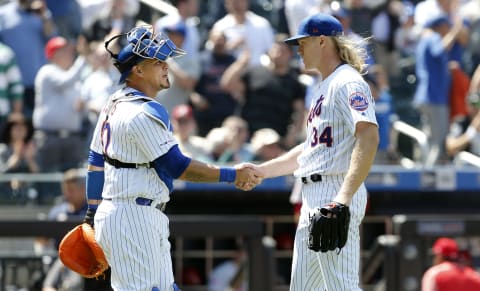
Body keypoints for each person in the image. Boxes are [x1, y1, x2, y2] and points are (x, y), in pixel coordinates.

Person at [84, 25, 259, 290]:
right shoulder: (144, 111)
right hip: (134, 215)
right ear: (138, 70)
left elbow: (95, 163)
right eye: (157, 62)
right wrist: (232, 174)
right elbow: (177, 166)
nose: (166, 66)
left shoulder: (113, 103)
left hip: (126, 213)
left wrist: (92, 213)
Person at [240, 14, 379, 290]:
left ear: (322, 41)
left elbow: (369, 136)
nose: (298, 49)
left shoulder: (347, 82)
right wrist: (263, 170)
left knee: (342, 286)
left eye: (303, 42)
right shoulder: (321, 87)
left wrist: (342, 199)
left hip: (334, 190)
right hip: (313, 193)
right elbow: (310, 149)